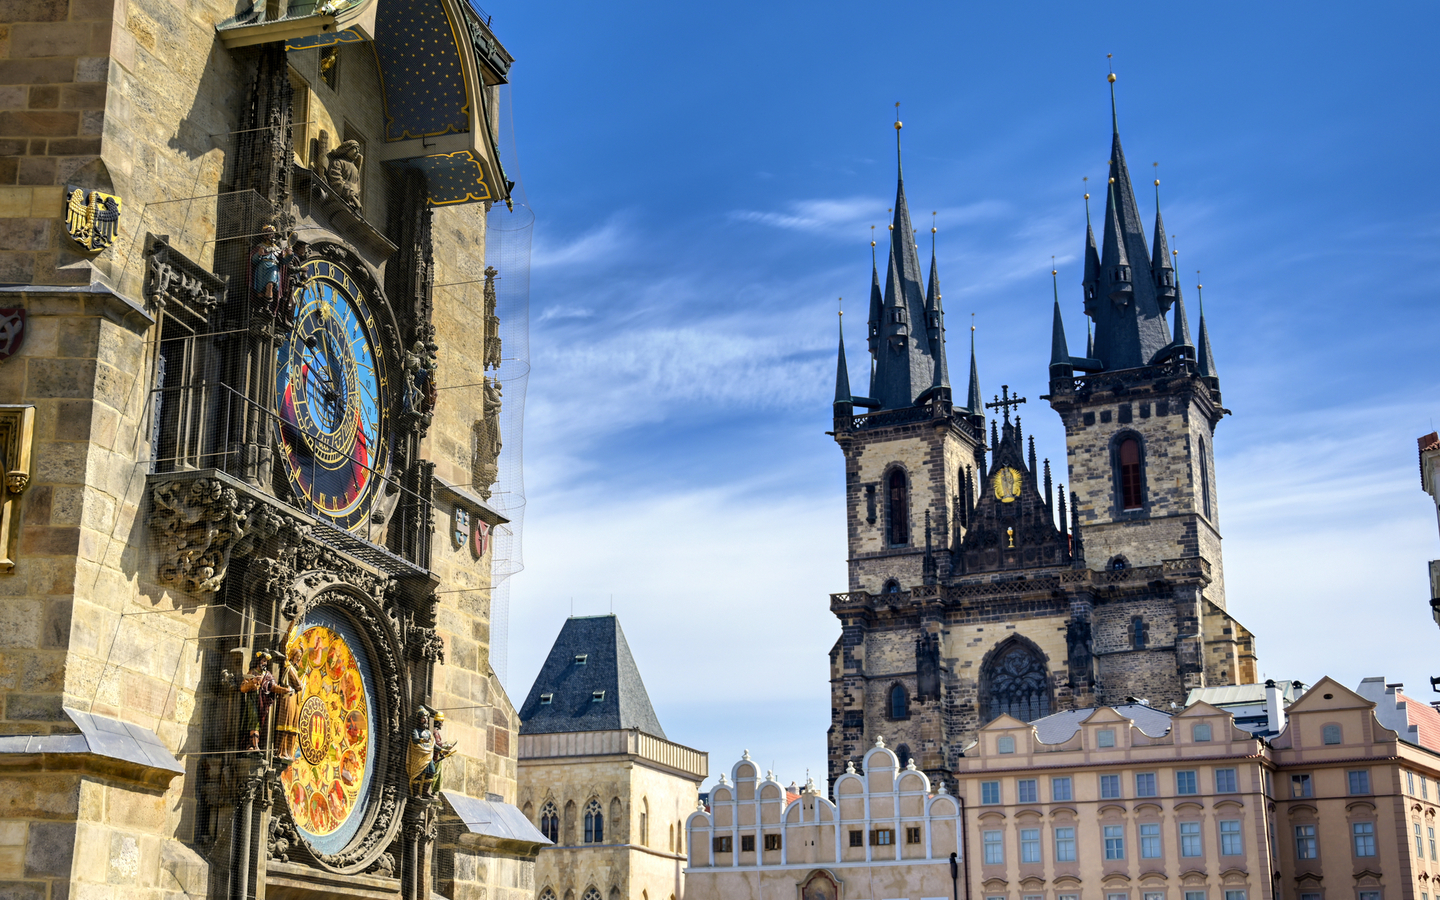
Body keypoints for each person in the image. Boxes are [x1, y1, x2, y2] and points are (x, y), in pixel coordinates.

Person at [239, 650, 291, 752]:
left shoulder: (268, 675)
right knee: (253, 721)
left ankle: (254, 744)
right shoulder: (252, 672)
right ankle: (253, 746)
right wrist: (252, 682)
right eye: (263, 661)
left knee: (260, 723)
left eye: (266, 662)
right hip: (252, 700)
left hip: (263, 702)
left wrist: (285, 690)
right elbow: (243, 688)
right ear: (258, 661)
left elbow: (274, 687)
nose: (265, 663)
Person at [274, 645, 304, 760]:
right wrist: (301, 684)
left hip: (294, 699)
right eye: (297, 656)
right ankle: (281, 751)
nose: (298, 659)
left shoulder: (293, 668)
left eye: (300, 657)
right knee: (286, 724)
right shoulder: (290, 668)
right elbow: (299, 685)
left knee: (292, 726)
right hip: (288, 698)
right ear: (292, 656)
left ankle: (288, 751)